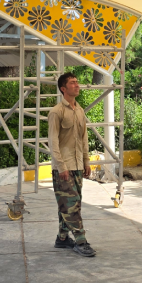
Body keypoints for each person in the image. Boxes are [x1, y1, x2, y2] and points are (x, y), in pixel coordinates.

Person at [48, 72, 95, 257]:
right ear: (63, 88)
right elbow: (52, 142)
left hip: (76, 165)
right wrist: (61, 166)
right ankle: (81, 241)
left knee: (70, 205)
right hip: (64, 167)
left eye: (77, 82)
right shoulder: (56, 112)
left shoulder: (80, 111)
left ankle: (62, 238)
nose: (77, 85)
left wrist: (86, 161)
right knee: (71, 205)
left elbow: (84, 139)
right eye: (72, 83)